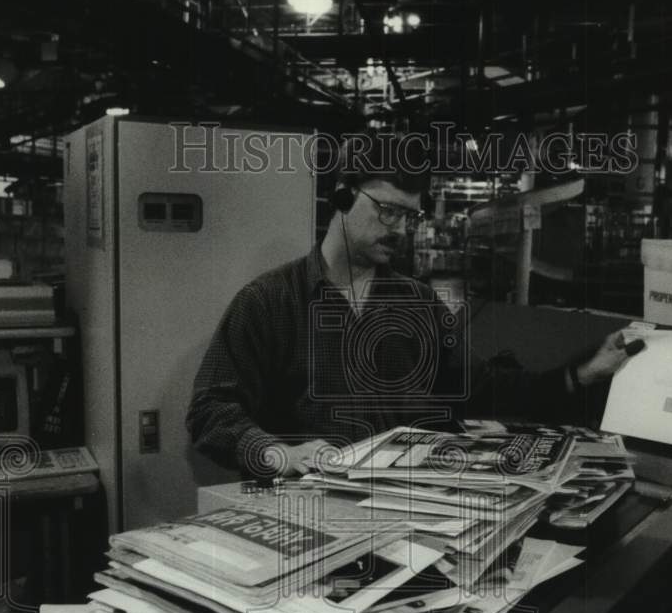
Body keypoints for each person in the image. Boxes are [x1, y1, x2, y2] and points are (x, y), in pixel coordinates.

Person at [187, 135, 638, 478]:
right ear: (342, 196)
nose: (401, 228)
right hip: (309, 511)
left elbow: (481, 388)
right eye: (388, 211)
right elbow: (211, 411)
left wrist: (580, 375)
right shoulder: (270, 301)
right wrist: (279, 453)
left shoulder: (418, 304)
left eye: (410, 216)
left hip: (405, 513)